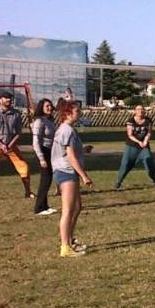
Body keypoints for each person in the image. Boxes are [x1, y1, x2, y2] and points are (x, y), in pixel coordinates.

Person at [52, 98, 93, 257]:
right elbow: (70, 156)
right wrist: (84, 175)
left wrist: (82, 149)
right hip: (66, 172)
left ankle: (69, 240)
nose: (80, 113)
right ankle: (65, 247)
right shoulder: (66, 130)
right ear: (68, 113)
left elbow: (69, 150)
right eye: (77, 111)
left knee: (77, 207)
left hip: (67, 171)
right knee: (68, 210)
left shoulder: (67, 129)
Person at [114, 104, 155, 189]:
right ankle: (118, 182)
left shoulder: (148, 120)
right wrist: (139, 141)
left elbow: (149, 133)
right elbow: (130, 135)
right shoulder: (131, 120)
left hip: (144, 147)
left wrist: (145, 141)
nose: (140, 111)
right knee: (125, 164)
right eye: (138, 109)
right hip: (131, 146)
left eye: (142, 109)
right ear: (135, 111)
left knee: (149, 162)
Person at [31, 98, 57, 216]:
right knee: (45, 179)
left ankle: (45, 205)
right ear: (41, 107)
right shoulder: (39, 121)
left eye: (50, 106)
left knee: (48, 178)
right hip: (43, 151)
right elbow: (35, 141)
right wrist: (41, 158)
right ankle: (39, 208)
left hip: (51, 151)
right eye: (47, 106)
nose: (50, 108)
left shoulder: (50, 121)